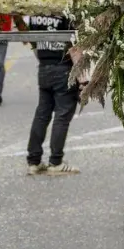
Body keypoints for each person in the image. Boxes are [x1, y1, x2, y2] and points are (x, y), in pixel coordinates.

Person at [24, 13, 80, 176]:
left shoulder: (34, 14)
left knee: (42, 114)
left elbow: (33, 42)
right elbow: (74, 44)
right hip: (63, 68)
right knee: (62, 116)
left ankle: (33, 162)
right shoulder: (66, 13)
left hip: (44, 67)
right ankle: (56, 162)